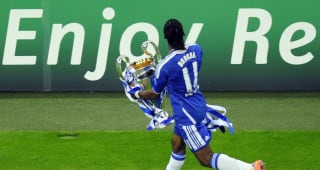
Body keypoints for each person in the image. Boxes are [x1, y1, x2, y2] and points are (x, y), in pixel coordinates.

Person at [127, 18, 265, 170]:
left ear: (166, 39)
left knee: (206, 158)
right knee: (177, 145)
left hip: (187, 115)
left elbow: (155, 93)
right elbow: (177, 68)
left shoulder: (165, 66)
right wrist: (157, 70)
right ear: (183, 35)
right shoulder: (196, 50)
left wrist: (136, 94)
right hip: (197, 103)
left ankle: (251, 168)